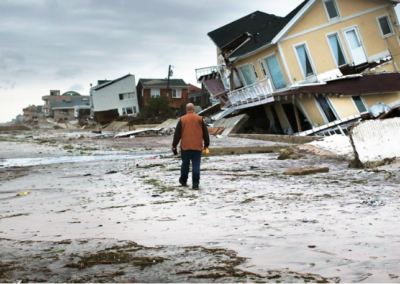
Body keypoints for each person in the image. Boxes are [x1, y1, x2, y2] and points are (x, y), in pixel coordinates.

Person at [172, 103, 209, 190]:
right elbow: (205, 133)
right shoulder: (200, 119)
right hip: (197, 146)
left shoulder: (182, 119)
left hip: (185, 146)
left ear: (186, 110)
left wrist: (174, 145)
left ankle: (183, 180)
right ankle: (195, 183)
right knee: (196, 165)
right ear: (193, 109)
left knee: (185, 164)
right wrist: (206, 145)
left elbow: (177, 134)